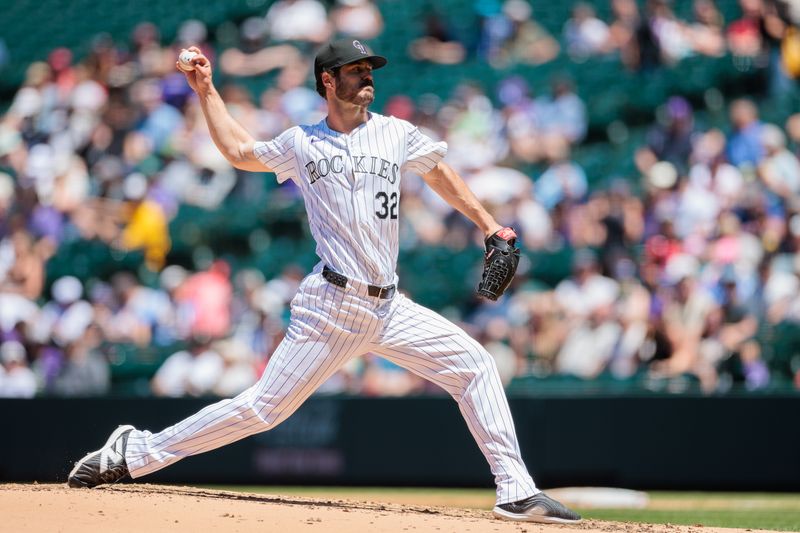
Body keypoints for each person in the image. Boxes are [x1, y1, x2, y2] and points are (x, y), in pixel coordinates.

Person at [66, 38, 580, 524]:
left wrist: (489, 225)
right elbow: (240, 152)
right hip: (330, 305)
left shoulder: (396, 133)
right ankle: (134, 451)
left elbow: (437, 170)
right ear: (328, 81)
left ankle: (515, 491)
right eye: (356, 71)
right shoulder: (302, 142)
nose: (367, 78)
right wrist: (206, 90)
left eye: (369, 71)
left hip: (387, 306)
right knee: (261, 410)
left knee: (475, 366)